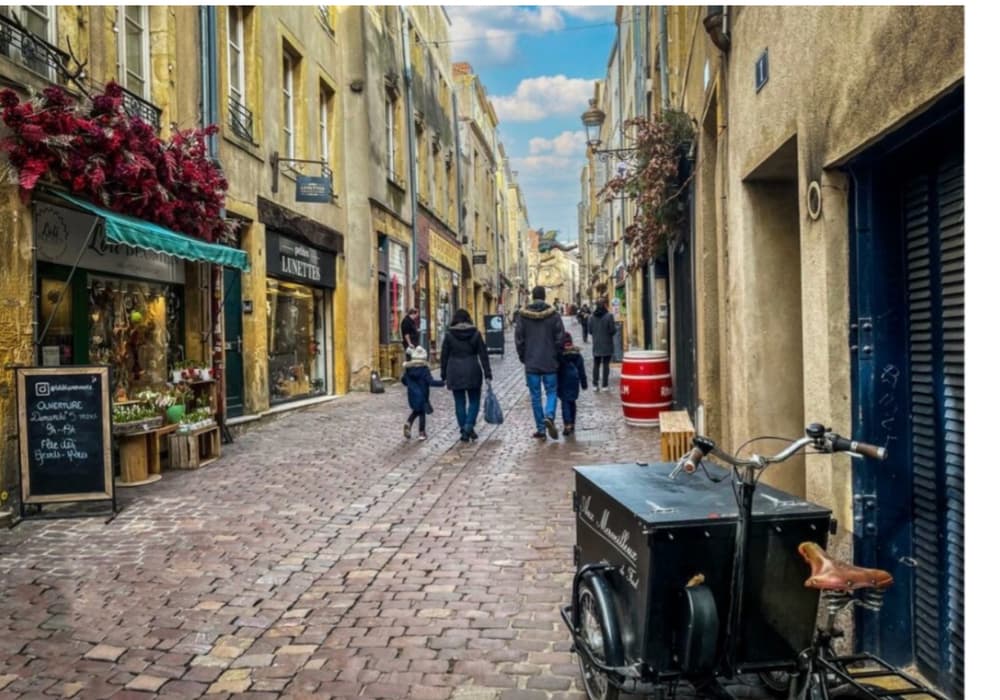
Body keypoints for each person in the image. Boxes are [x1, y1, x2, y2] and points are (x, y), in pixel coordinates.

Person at [515, 285, 565, 440]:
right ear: (544, 297)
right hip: (549, 361)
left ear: (532, 296)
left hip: (531, 362)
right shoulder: (554, 315)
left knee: (535, 396)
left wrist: (524, 357)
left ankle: (541, 429)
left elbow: (519, 340)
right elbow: (560, 338)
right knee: (551, 391)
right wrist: (557, 355)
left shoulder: (523, 316)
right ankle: (549, 414)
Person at [440, 308, 492, 443]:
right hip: (472, 369)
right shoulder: (475, 333)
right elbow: (483, 354)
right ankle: (468, 427)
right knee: (474, 401)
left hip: (455, 370)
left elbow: (444, 355)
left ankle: (464, 428)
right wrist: (487, 373)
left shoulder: (449, 335)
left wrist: (443, 373)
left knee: (459, 402)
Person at [400, 345, 444, 441]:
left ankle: (408, 423)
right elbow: (430, 382)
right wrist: (443, 383)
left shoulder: (409, 369)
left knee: (417, 410)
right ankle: (421, 432)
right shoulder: (424, 370)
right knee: (422, 412)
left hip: (412, 394)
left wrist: (410, 384)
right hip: (423, 394)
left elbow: (403, 380)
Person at [557, 331, 587, 436]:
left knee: (565, 402)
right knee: (572, 402)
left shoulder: (559, 355)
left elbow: (555, 369)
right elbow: (582, 370)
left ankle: (567, 424)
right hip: (574, 381)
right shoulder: (577, 354)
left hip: (563, 380)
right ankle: (572, 423)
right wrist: (584, 383)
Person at [589, 297, 616, 391]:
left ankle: (595, 385)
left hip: (596, 344)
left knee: (596, 364)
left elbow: (590, 331)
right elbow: (612, 330)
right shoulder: (609, 316)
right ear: (605, 305)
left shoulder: (592, 317)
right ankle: (605, 385)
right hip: (607, 344)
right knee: (605, 364)